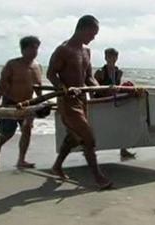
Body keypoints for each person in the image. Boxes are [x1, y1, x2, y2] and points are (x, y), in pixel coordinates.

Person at [47, 15, 113, 189]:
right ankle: (98, 177)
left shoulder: (86, 52)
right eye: (92, 33)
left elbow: (89, 77)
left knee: (75, 137)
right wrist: (63, 88)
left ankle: (57, 166)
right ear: (83, 29)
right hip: (68, 101)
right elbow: (51, 74)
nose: (94, 37)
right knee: (88, 137)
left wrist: (103, 89)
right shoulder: (63, 50)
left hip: (82, 100)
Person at [0, 36, 42, 168]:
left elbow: (39, 87)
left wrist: (40, 103)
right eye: (31, 48)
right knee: (8, 133)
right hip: (11, 102)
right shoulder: (12, 64)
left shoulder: (37, 66)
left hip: (28, 104)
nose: (34, 51)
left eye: (36, 48)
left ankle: (21, 160)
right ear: (23, 49)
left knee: (27, 129)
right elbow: (2, 84)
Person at [94, 47, 136, 160]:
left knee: (121, 124)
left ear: (117, 58)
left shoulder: (119, 72)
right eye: (109, 56)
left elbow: (119, 87)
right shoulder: (100, 72)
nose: (111, 59)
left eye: (114, 56)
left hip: (114, 100)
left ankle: (123, 149)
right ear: (105, 57)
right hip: (101, 102)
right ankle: (92, 150)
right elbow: (93, 89)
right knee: (98, 127)